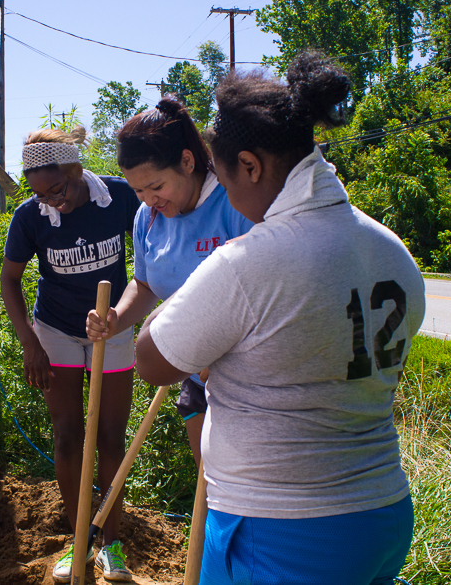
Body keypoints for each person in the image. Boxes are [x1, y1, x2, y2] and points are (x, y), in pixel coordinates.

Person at [134, 53, 425, 585]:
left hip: (282, 527)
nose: (232, 200)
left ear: (249, 165)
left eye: (225, 179)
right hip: (382, 512)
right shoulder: (391, 250)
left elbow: (151, 361)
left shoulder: (251, 262)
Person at [0, 128, 141, 583]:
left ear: (76, 169)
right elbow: (9, 281)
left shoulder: (119, 198)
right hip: (56, 330)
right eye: (40, 193)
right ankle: (78, 538)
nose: (51, 201)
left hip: (112, 323)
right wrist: (30, 343)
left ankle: (109, 543)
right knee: (66, 435)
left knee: (111, 437)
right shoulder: (30, 217)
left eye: (57, 189)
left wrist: (131, 312)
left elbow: (155, 250)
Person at [85, 97, 252, 469]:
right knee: (212, 489)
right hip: (194, 377)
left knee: (251, 493)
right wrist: (116, 318)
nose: (147, 200)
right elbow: (145, 285)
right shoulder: (147, 218)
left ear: (187, 162)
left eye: (155, 186)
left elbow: (269, 290)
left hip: (248, 383)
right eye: (138, 191)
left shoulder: (236, 203)